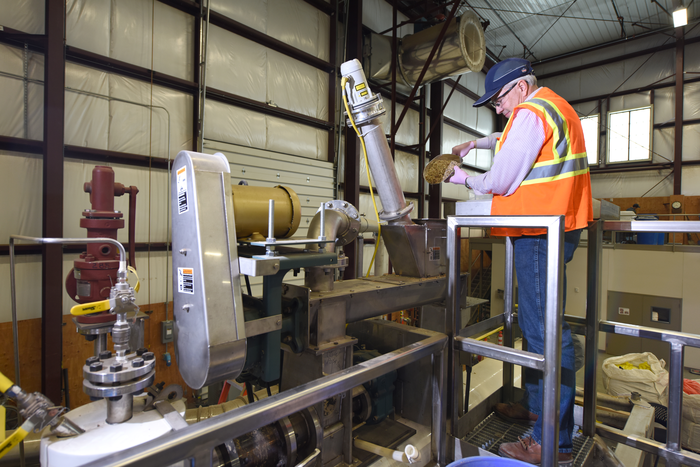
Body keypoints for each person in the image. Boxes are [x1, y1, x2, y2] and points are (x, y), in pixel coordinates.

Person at [447, 58, 593, 466]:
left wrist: (461, 176)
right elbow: (507, 139)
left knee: (546, 331)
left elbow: (500, 179)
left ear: (520, 88)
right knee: (536, 327)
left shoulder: (530, 114)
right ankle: (536, 407)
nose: (496, 107)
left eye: (497, 99)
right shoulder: (550, 106)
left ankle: (552, 442)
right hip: (555, 227)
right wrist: (473, 144)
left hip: (538, 234)